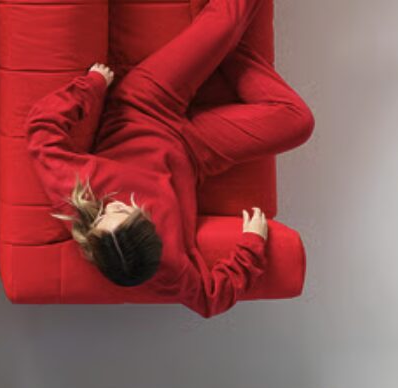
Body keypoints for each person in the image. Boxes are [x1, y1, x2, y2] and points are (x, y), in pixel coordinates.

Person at [25, 0, 314, 317]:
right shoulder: (168, 266)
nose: (118, 204)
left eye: (108, 212)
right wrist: (252, 246)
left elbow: (41, 130)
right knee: (297, 122)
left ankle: (220, 42)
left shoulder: (79, 192)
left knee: (226, 23)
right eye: (131, 212)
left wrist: (90, 87)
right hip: (193, 150)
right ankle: (221, 48)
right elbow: (209, 300)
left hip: (142, 107)